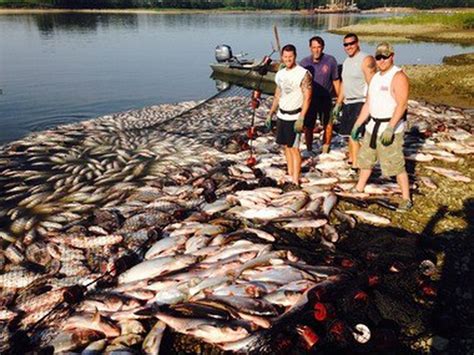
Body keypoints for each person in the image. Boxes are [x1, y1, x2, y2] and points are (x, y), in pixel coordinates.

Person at [350, 42, 412, 212]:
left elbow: (402, 105)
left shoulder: (398, 76)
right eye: (379, 57)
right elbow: (369, 103)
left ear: (392, 56)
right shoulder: (375, 78)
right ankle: (359, 187)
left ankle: (406, 198)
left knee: (396, 165)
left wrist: (391, 127)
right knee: (366, 160)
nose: (382, 60)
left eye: (385, 57)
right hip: (372, 127)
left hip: (389, 128)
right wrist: (357, 124)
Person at [266, 44, 312, 185]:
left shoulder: (303, 73)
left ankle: (296, 181)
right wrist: (271, 112)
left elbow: (308, 96)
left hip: (295, 116)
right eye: (285, 57)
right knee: (286, 146)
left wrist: (302, 117)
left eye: (290, 57)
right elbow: (278, 94)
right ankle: (291, 172)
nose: (288, 59)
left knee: (295, 148)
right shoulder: (280, 74)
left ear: (295, 56)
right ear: (282, 57)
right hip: (282, 116)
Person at [336, 33, 376, 168]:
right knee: (348, 135)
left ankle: (358, 166)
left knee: (356, 135)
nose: (349, 47)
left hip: (360, 101)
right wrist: (338, 103)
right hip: (348, 103)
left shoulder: (365, 59)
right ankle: (352, 160)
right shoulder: (346, 62)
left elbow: (372, 83)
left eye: (351, 43)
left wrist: (369, 104)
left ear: (357, 43)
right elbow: (344, 84)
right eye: (346, 44)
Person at [300, 36, 340, 155]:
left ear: (322, 47)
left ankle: (325, 147)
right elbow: (300, 83)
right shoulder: (304, 63)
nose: (316, 50)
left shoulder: (330, 61)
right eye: (314, 47)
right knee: (308, 126)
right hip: (310, 100)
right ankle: (309, 149)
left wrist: (339, 100)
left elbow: (336, 81)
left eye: (318, 47)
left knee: (328, 123)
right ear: (310, 48)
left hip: (326, 98)